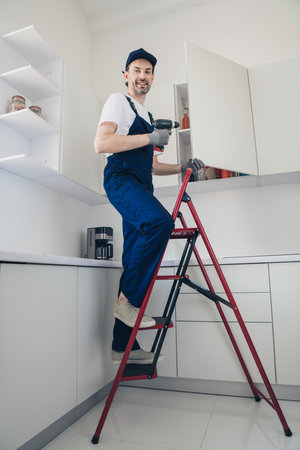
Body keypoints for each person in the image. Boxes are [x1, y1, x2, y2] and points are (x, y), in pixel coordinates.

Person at [94, 48, 204, 365]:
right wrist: (149, 138)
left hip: (141, 184)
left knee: (133, 261)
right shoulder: (119, 101)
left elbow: (154, 167)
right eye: (136, 70)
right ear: (126, 75)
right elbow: (102, 143)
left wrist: (183, 167)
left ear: (153, 77)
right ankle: (127, 304)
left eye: (148, 71)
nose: (142, 76)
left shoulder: (148, 117)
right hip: (121, 179)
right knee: (160, 223)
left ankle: (120, 346)